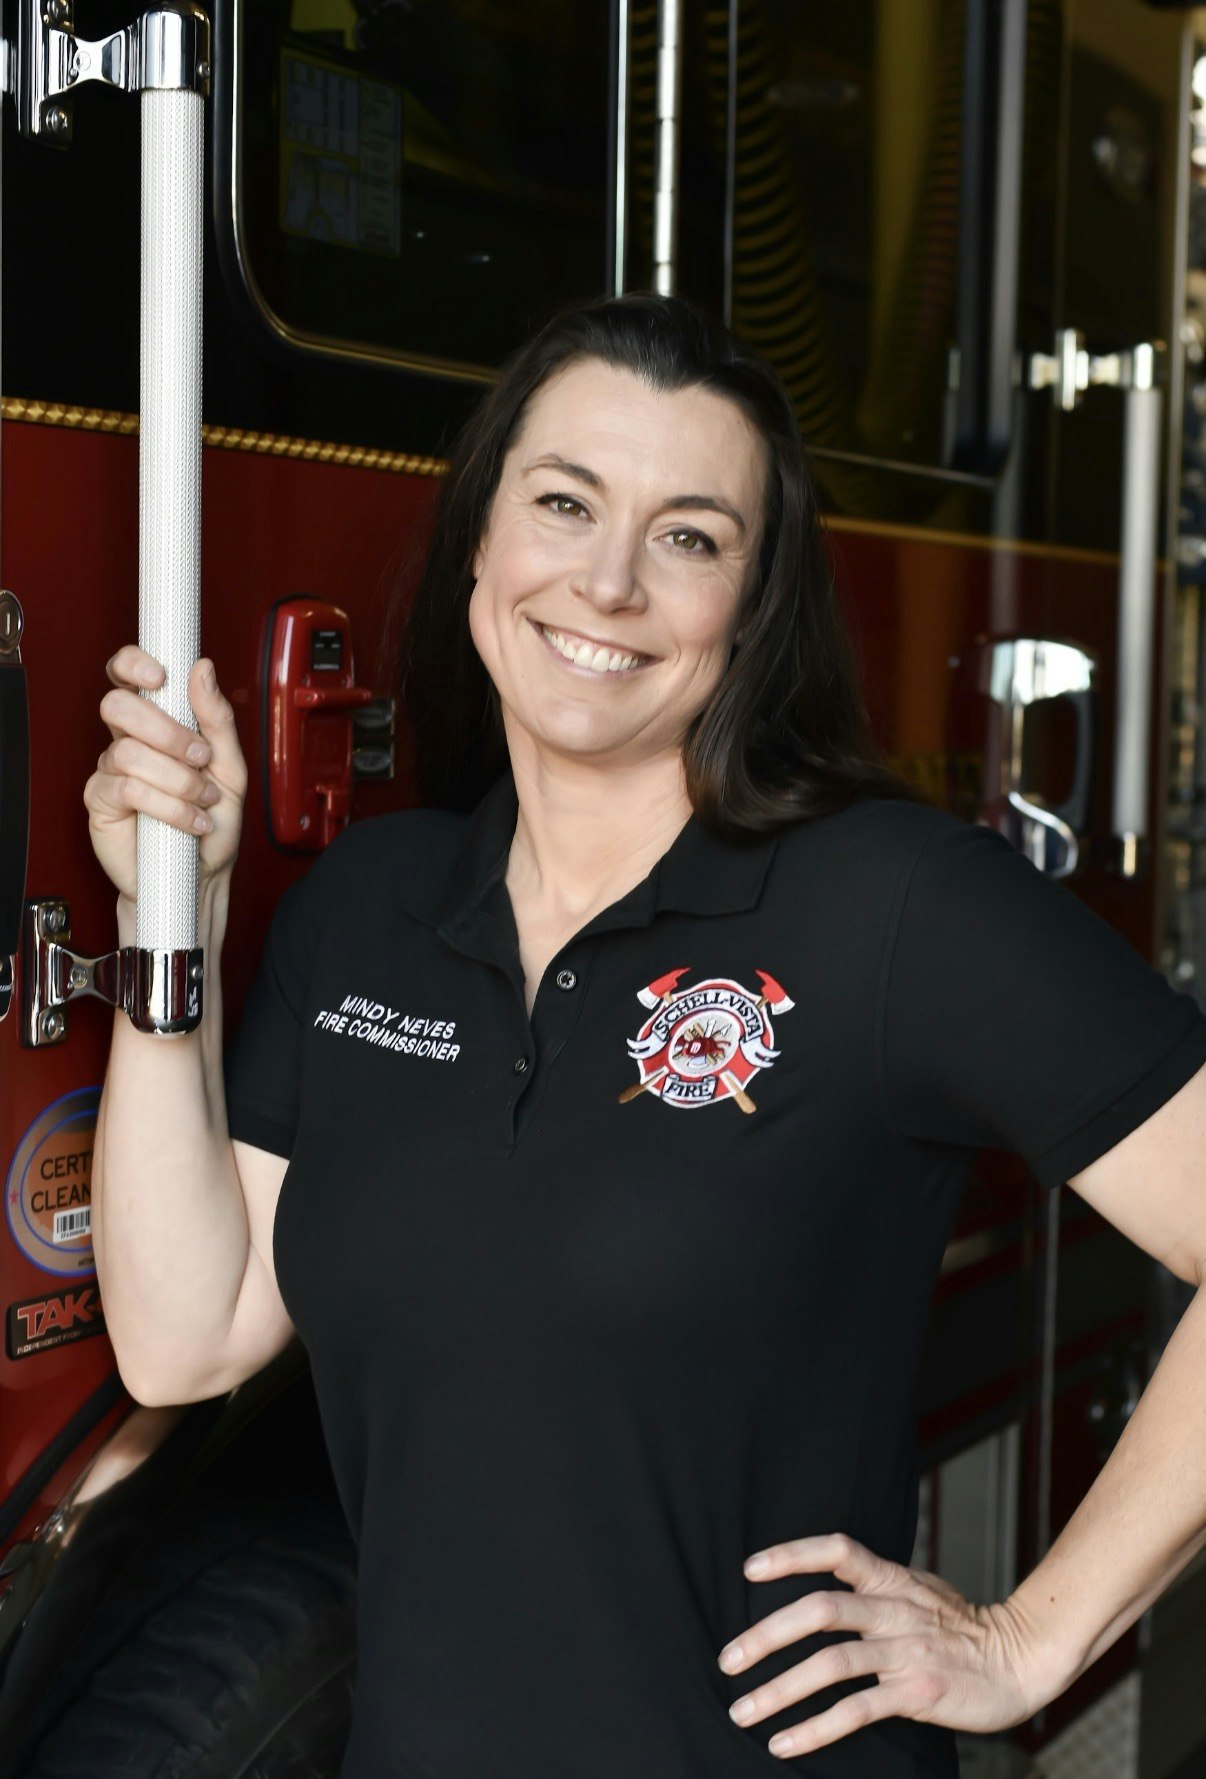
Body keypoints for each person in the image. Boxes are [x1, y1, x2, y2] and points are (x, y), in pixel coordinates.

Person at [87, 293, 1206, 1778]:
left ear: (750, 607)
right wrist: (184, 913)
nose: (605, 582)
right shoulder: (370, 905)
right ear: (481, 538)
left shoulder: (890, 908)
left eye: (688, 536)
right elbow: (183, 1338)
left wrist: (1031, 1639)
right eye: (563, 504)